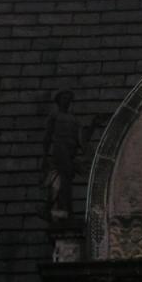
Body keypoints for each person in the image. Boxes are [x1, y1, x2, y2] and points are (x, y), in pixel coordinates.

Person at [42, 90, 100, 221]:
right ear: (58, 100)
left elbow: (82, 140)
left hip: (69, 154)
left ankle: (62, 211)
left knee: (65, 183)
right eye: (64, 98)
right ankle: (55, 209)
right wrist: (45, 156)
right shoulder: (55, 116)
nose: (66, 101)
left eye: (68, 98)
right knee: (60, 182)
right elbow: (47, 137)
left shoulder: (74, 120)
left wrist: (93, 125)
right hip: (59, 152)